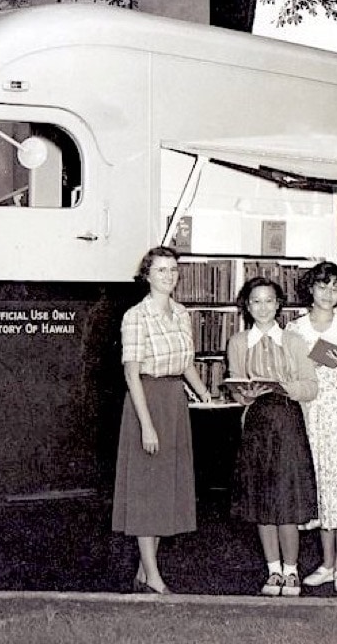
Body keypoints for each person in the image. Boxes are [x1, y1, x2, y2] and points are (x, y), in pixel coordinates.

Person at [112, 245, 212, 594]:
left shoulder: (181, 313)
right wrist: (147, 425)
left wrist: (205, 394)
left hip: (174, 403)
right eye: (161, 270)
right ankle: (153, 577)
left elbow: (185, 364)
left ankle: (144, 570)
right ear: (147, 275)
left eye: (173, 270)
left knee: (164, 489)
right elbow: (131, 374)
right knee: (147, 491)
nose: (169, 276)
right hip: (148, 402)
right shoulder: (135, 316)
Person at [227, 276, 320, 597]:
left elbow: (311, 387)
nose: (263, 307)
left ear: (278, 304)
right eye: (256, 301)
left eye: (269, 300)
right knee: (261, 501)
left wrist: (284, 387)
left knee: (286, 498)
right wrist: (247, 393)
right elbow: (238, 390)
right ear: (247, 306)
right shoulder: (238, 342)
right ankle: (273, 571)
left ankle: (292, 571)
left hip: (287, 422)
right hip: (255, 425)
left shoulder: (293, 341)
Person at [286, 261, 337, 594]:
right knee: (320, 485)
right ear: (310, 288)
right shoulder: (294, 328)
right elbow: (290, 373)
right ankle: (325, 562)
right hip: (308, 411)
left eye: (335, 288)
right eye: (323, 286)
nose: (328, 294)